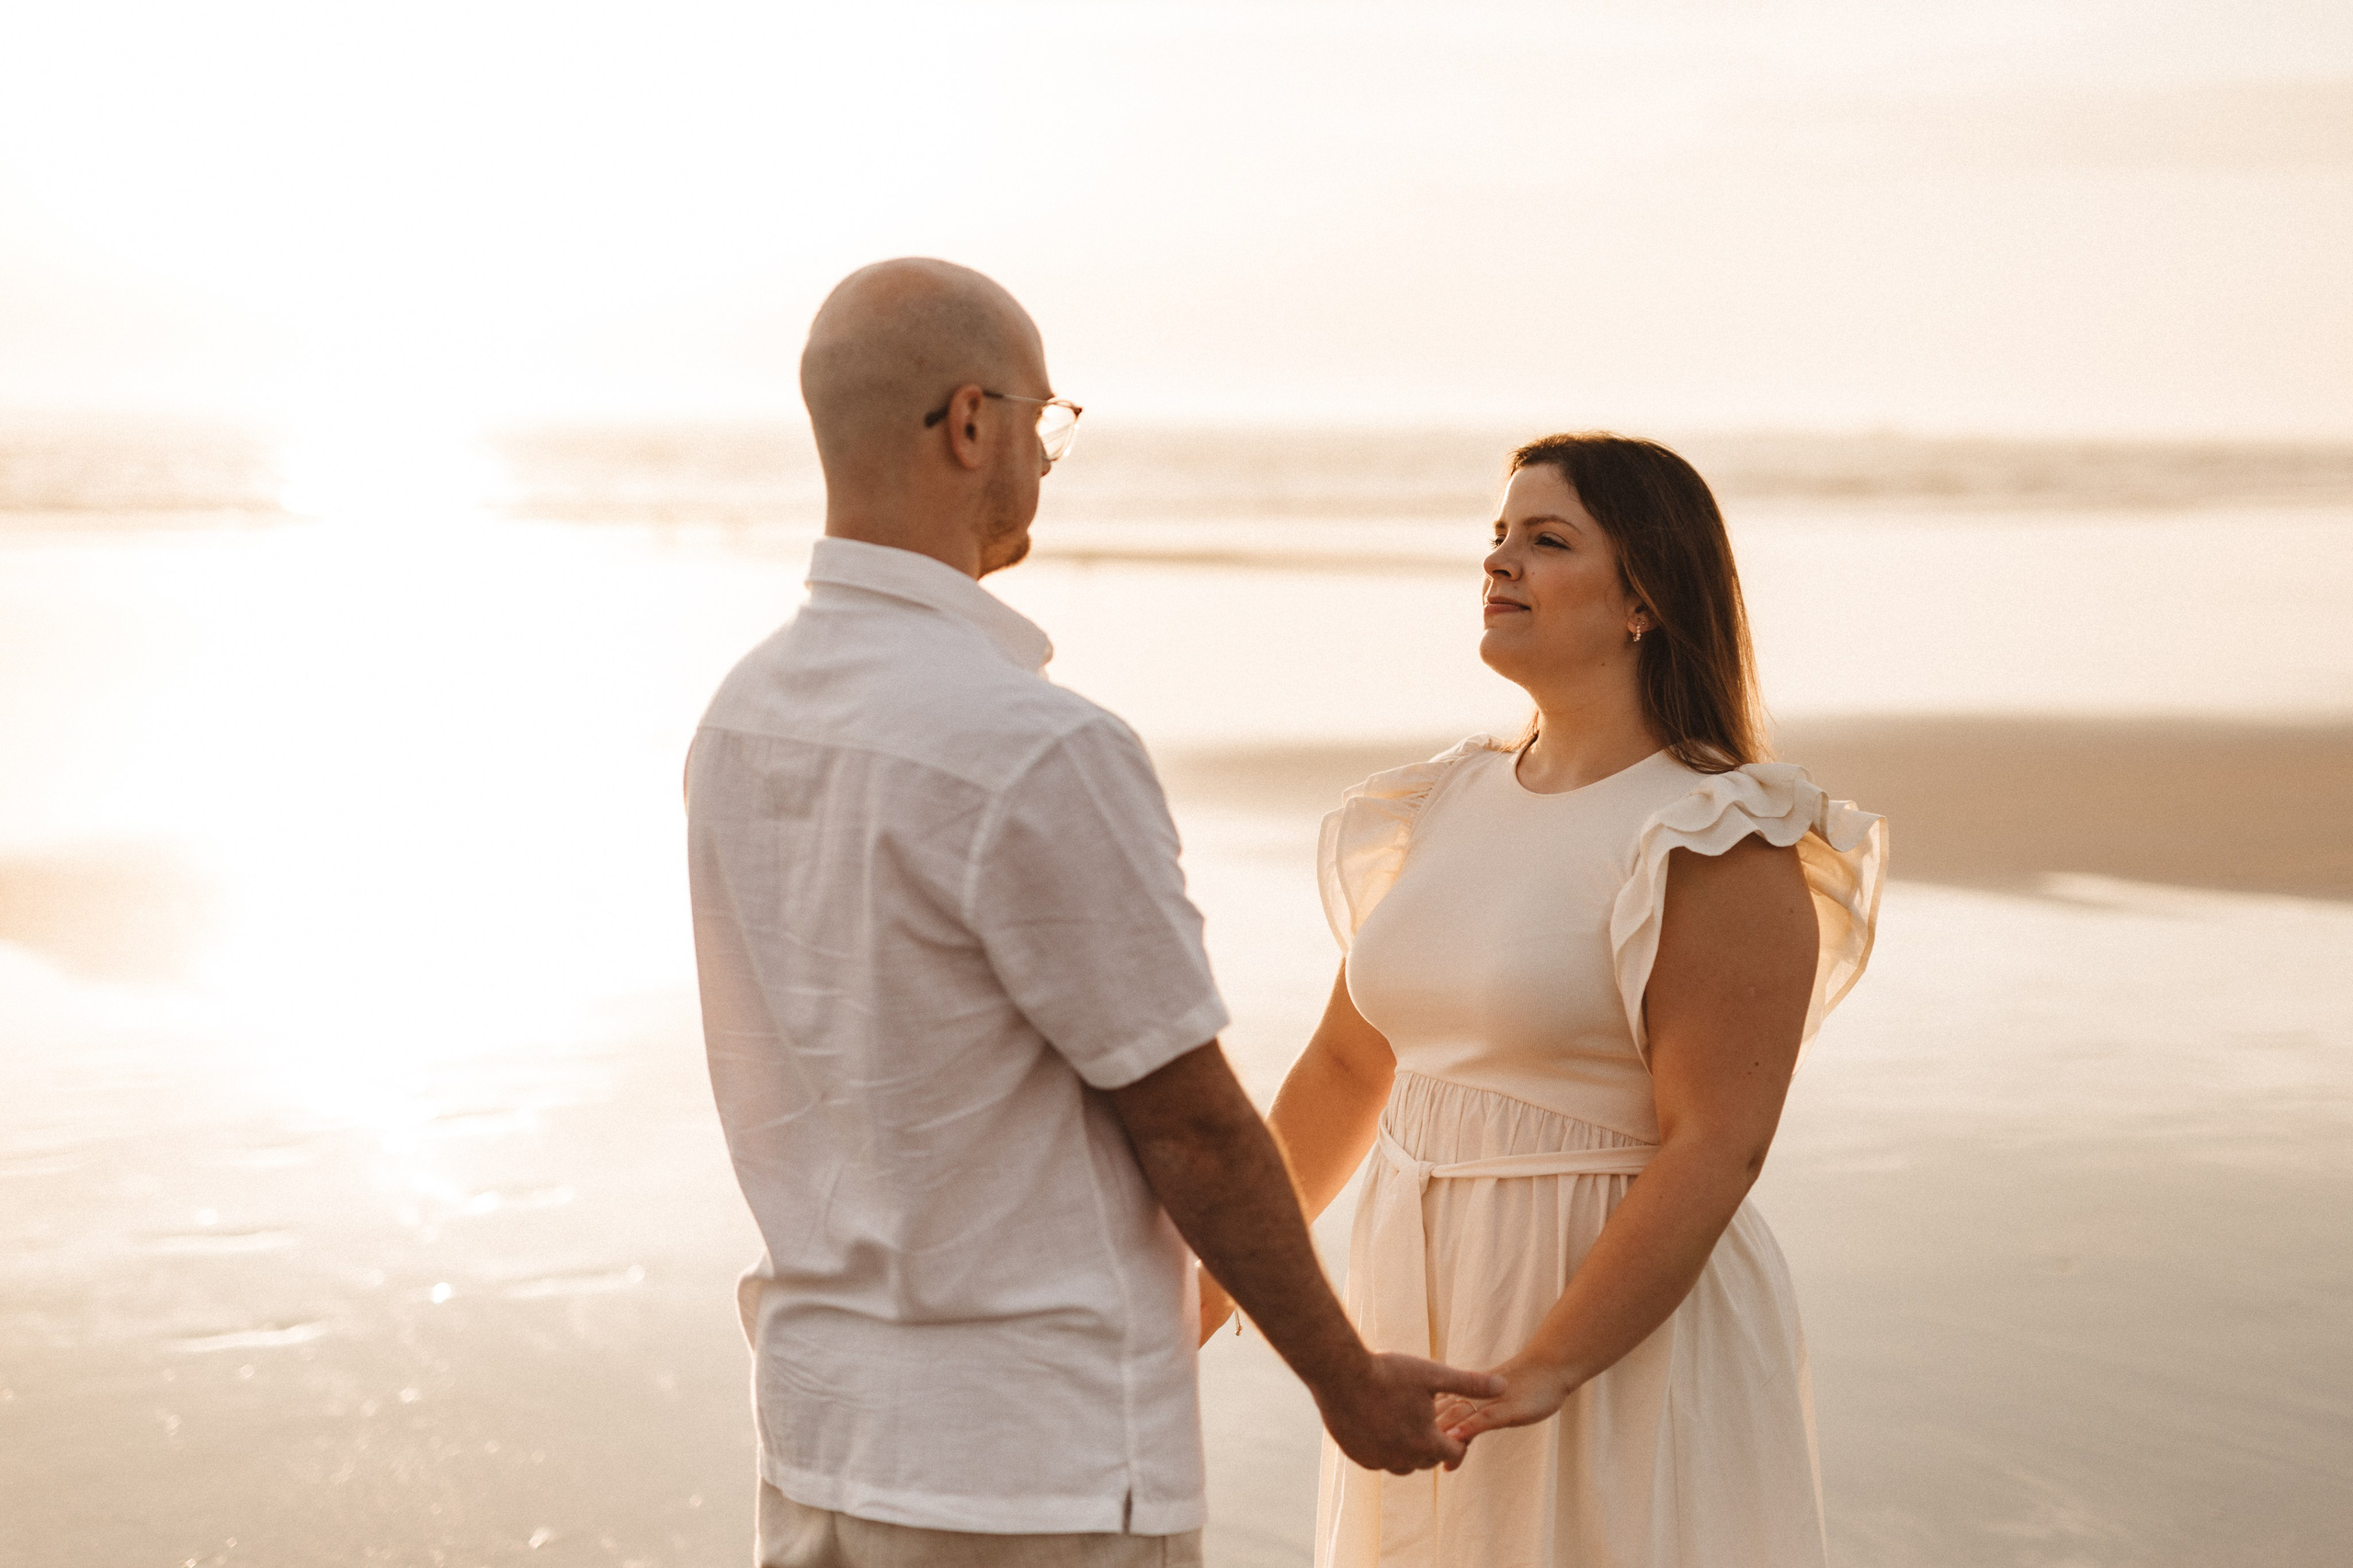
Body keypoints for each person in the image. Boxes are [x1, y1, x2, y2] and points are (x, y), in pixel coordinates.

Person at [684, 258, 1502, 1568]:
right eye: (1045, 421)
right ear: (969, 423)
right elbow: (1190, 1120)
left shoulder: (742, 714)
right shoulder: (1032, 745)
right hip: (1034, 1468)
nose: (1048, 459)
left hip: (823, 1433)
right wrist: (1343, 1376)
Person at [1199, 433, 1887, 1566]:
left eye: (1547, 540)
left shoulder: (1715, 831)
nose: (1499, 563)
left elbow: (1717, 1143)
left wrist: (1547, 1363)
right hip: (1415, 1296)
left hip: (1606, 1319)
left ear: (1643, 600)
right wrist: (1217, 1282)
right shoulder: (1441, 800)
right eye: (1496, 538)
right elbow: (1343, 1068)